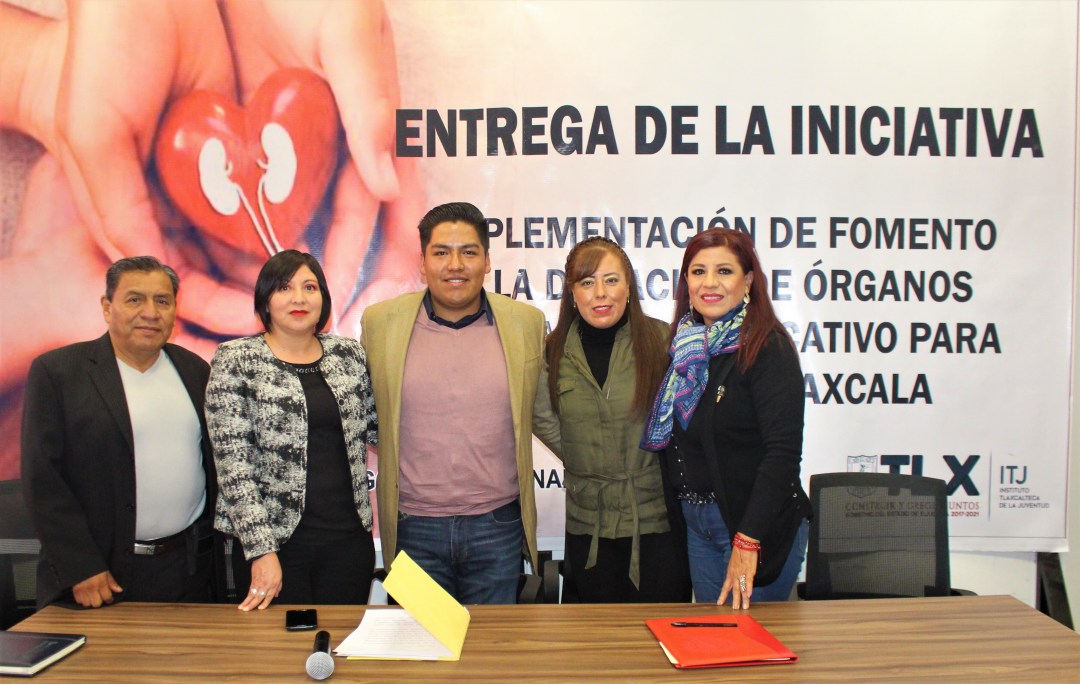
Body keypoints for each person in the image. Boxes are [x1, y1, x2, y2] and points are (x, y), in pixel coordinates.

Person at [361, 201, 545, 604]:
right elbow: (362, 416)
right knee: (421, 644)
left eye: (469, 252)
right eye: (441, 252)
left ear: (487, 261)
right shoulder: (380, 324)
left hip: (496, 526)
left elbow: (546, 414)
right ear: (423, 262)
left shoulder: (524, 323)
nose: (455, 265)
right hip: (413, 526)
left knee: (490, 643)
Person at [21, 256, 220, 609]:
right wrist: (81, 568)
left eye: (162, 301)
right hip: (99, 574)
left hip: (187, 570)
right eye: (134, 299)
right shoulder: (59, 373)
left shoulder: (194, 370)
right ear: (107, 307)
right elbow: (43, 480)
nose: (150, 313)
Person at [642, 228, 812, 609]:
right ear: (686, 282)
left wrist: (748, 539)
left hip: (753, 527)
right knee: (713, 634)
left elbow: (782, 454)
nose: (709, 283)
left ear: (748, 281)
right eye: (698, 271)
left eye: (724, 271)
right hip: (697, 525)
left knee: (747, 638)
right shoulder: (684, 349)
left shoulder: (767, 347)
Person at [206, 250, 377, 610]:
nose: (299, 298)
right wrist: (261, 551)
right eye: (284, 288)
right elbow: (234, 467)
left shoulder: (349, 355)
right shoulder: (236, 359)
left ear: (323, 298)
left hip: (348, 541)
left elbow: (378, 428)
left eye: (309, 287)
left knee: (344, 640)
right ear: (265, 300)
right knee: (280, 645)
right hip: (277, 547)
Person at [533, 237, 691, 602]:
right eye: (587, 282)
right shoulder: (552, 351)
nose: (600, 293)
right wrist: (585, 457)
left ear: (629, 287)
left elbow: (687, 425)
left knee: (659, 633)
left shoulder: (663, 341)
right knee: (594, 635)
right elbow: (542, 417)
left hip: (656, 525)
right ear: (572, 292)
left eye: (611, 280)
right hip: (588, 526)